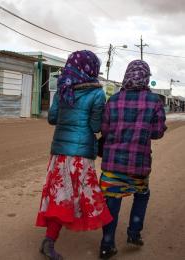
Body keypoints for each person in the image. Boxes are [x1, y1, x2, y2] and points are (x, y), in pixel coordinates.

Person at [36, 50, 113, 260]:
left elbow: (52, 119)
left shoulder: (63, 88)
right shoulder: (97, 93)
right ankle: (109, 241)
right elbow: (96, 125)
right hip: (80, 156)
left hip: (58, 153)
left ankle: (49, 240)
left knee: (60, 196)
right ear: (92, 68)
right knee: (88, 195)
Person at [99, 60, 167, 259]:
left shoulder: (113, 100)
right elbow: (156, 133)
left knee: (112, 200)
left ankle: (106, 245)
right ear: (146, 77)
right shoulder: (154, 101)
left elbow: (104, 129)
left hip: (112, 164)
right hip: (138, 164)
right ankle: (134, 233)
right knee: (142, 195)